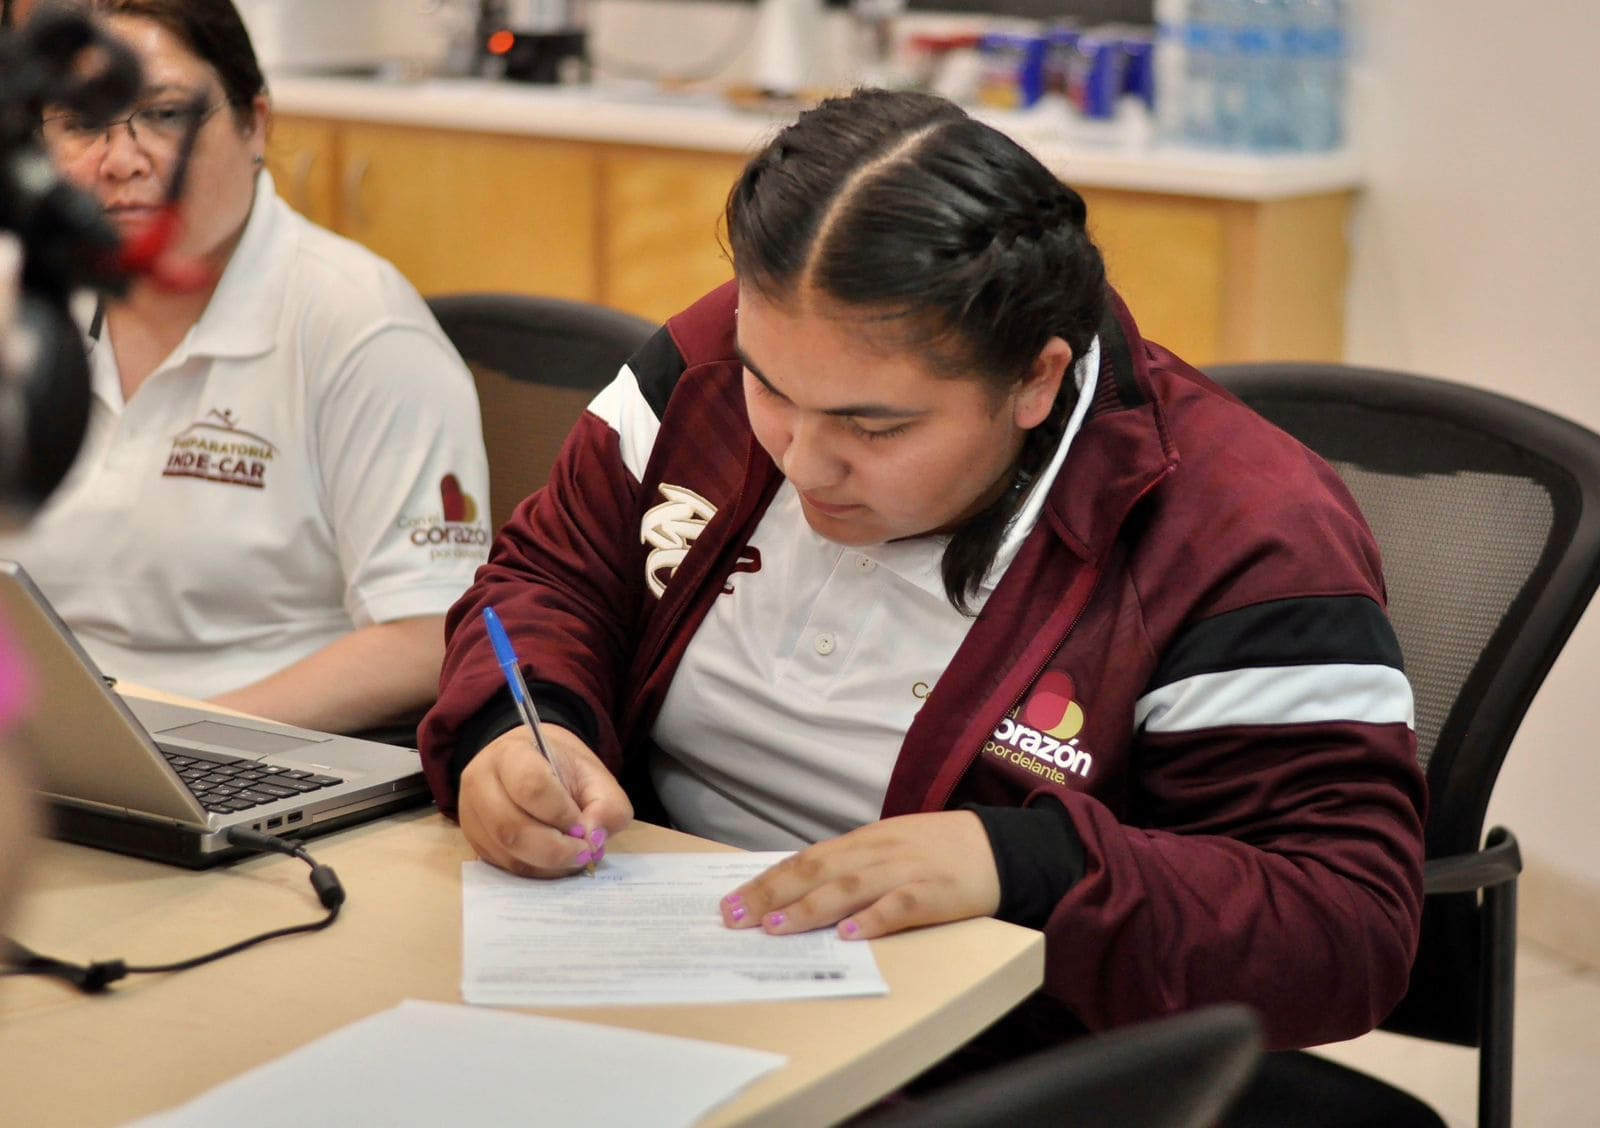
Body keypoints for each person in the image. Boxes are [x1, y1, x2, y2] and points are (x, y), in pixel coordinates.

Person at [419, 88, 1425, 1063]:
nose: (801, 461)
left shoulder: (1236, 531)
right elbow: (548, 576)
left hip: (982, 1040)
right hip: (637, 962)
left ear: (1035, 378)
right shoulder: (711, 359)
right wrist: (517, 725)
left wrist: (1023, 865)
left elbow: (1341, 922)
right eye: (772, 392)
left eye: (875, 425)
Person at [0, 0, 491, 734]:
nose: (122, 160)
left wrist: (178, 741)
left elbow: (428, 632)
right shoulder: (24, 298)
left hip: (261, 759)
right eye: (81, 123)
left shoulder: (359, 324)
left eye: (164, 115)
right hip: (45, 747)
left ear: (254, 124)